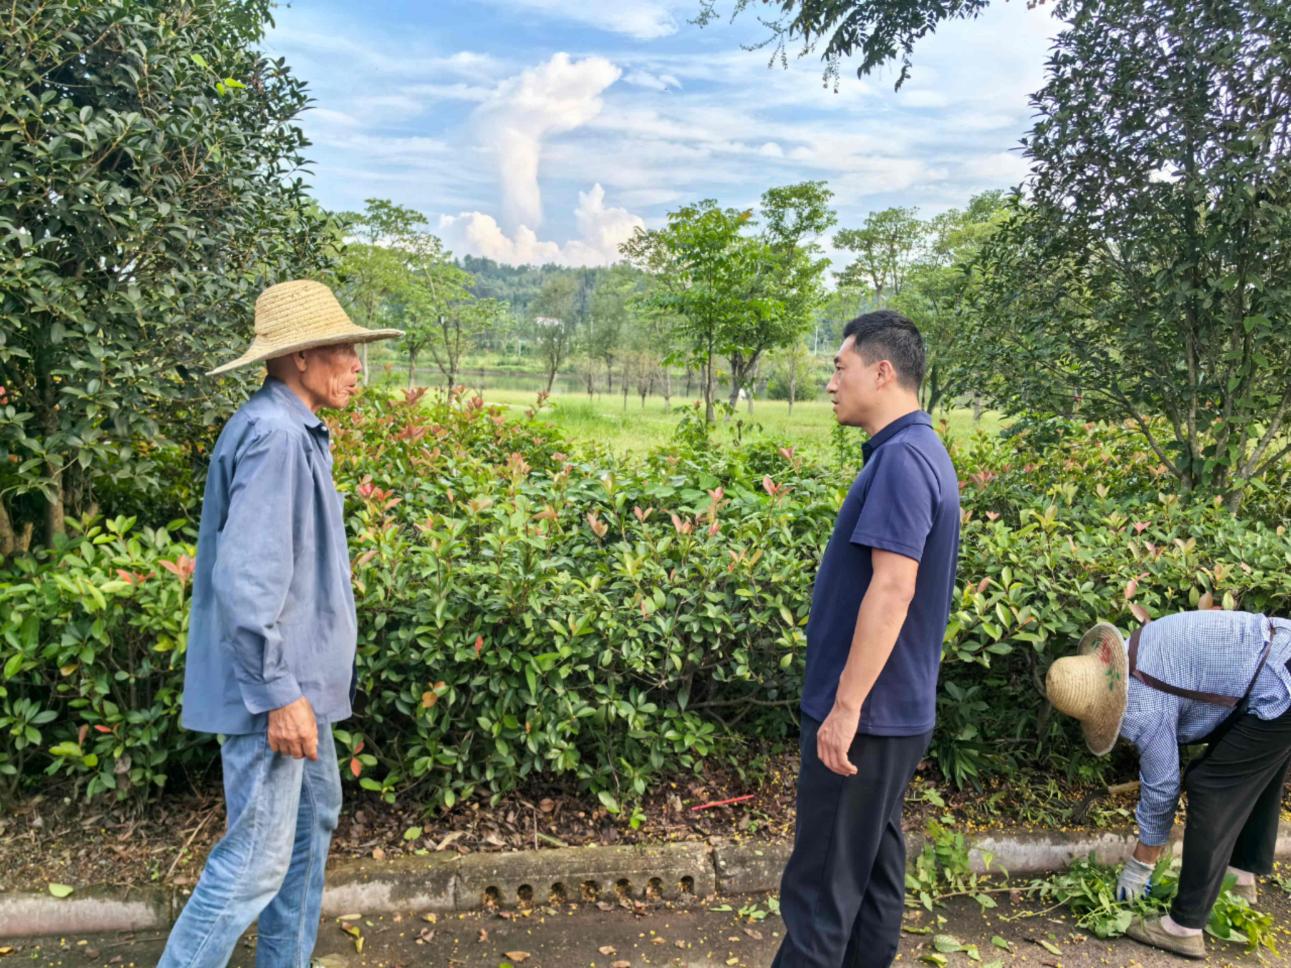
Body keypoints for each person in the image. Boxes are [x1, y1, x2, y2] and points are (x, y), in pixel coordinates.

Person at [158, 280, 401, 967]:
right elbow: (247, 581)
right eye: (344, 349)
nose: (356, 365)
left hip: (299, 687)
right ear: (299, 357)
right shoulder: (276, 436)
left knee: (307, 827)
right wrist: (278, 694)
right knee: (254, 862)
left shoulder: (294, 429)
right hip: (276, 692)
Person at [772, 310, 961, 967]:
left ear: (881, 372)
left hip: (866, 717)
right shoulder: (918, 451)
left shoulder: (902, 461)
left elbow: (892, 588)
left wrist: (845, 707)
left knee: (819, 898)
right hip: (893, 717)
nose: (831, 383)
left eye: (839, 367)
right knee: (874, 878)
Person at [1046, 609, 1291, 960]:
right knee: (1250, 769)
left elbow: (1162, 787)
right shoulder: (1137, 648)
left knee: (1211, 786)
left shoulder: (1141, 705)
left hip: (1279, 683)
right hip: (1279, 655)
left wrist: (1142, 864)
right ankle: (1238, 878)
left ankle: (1184, 927)